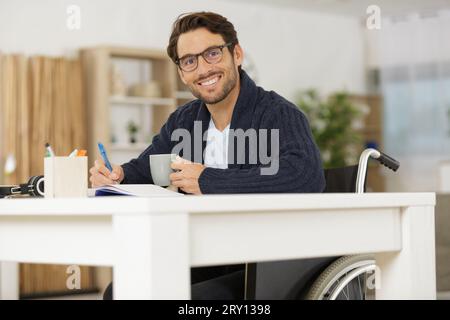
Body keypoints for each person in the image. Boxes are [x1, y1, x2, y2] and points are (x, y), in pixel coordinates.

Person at [90, 11, 325, 300]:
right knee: (121, 291)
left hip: (265, 259)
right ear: (181, 73)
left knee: (188, 300)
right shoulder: (183, 120)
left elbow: (305, 176)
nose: (202, 69)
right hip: (208, 253)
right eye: (189, 61)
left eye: (212, 54)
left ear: (236, 54)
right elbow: (150, 168)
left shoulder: (277, 113)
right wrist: (119, 174)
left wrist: (209, 180)